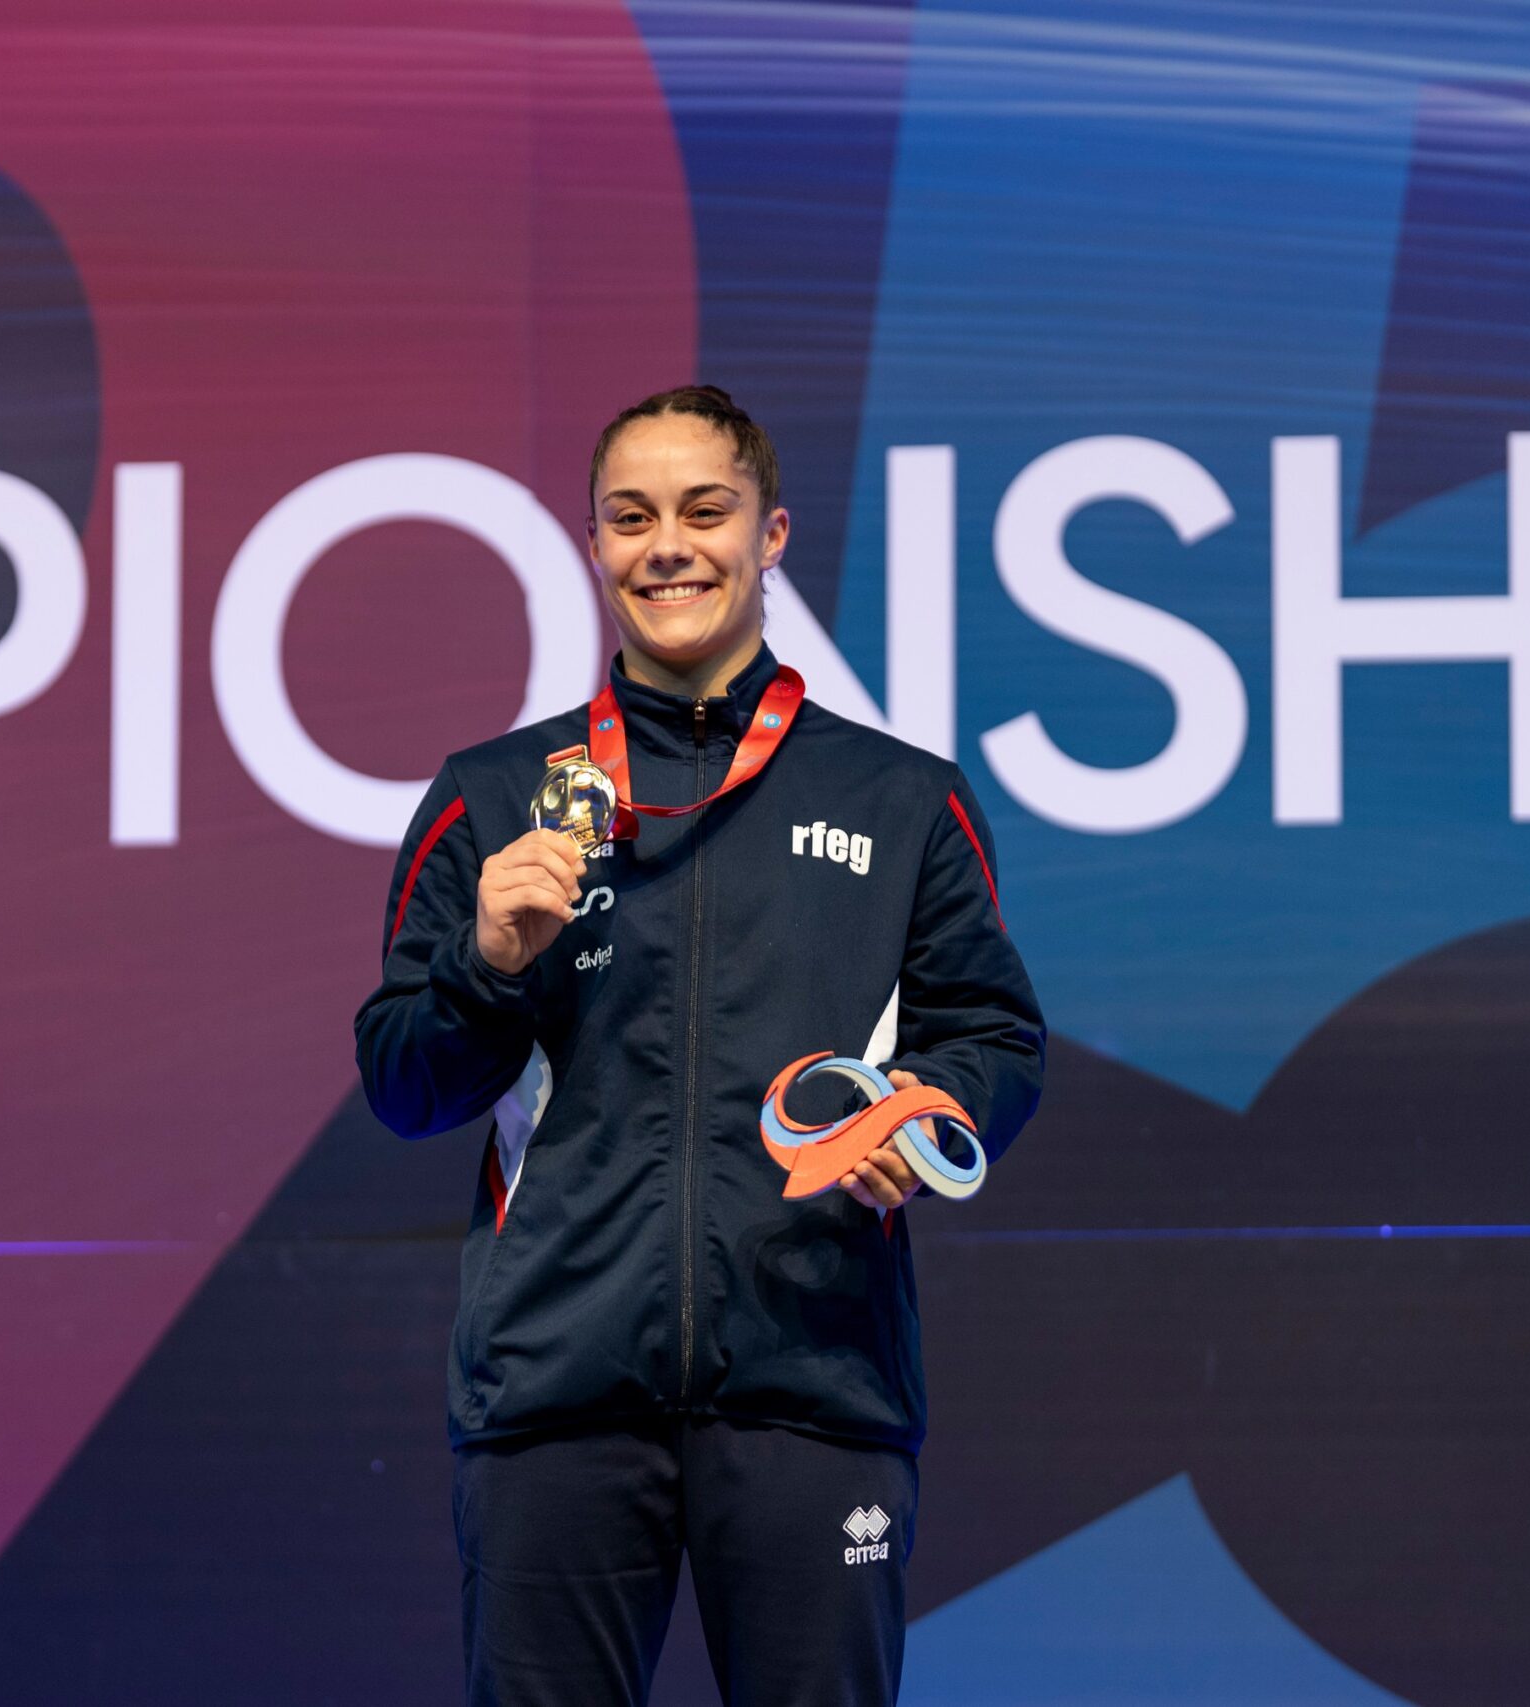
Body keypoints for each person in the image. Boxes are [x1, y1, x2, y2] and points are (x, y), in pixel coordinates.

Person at [354, 385, 1045, 1706]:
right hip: (554, 1392)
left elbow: (995, 1038)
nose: (667, 545)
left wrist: (923, 1113)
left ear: (770, 534)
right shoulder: (493, 798)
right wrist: (487, 962)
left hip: (815, 1383)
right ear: (594, 546)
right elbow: (405, 1083)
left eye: (704, 510)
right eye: (631, 518)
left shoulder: (902, 800)